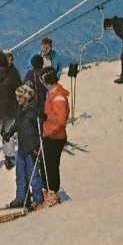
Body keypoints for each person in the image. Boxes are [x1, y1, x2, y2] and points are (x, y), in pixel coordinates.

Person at [2, 84, 44, 210]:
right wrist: (9, 132)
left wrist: (38, 145)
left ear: (27, 97)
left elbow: (40, 127)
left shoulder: (33, 110)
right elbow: (18, 123)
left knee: (33, 175)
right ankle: (21, 198)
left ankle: (38, 199)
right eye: (17, 97)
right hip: (21, 148)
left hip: (31, 148)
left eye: (20, 97)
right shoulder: (20, 109)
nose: (18, 99)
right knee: (20, 174)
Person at [38, 68, 69, 207]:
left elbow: (61, 119)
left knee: (51, 165)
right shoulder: (51, 93)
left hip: (55, 137)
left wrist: (47, 117)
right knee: (44, 163)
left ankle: (53, 193)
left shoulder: (58, 96)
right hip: (48, 134)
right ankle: (46, 191)